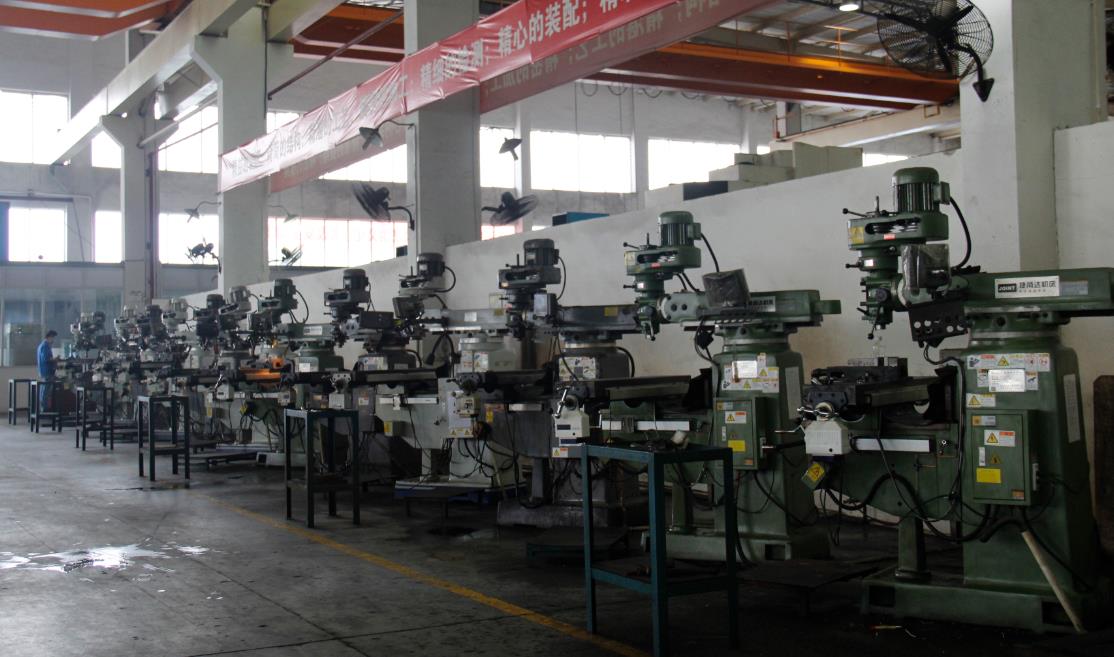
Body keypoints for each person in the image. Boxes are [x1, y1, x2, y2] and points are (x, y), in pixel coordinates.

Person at [37, 330, 58, 412]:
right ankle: (44, 409)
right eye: (53, 338)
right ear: (49, 337)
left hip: (44, 372)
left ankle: (43, 409)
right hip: (47, 372)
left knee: (44, 391)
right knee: (45, 392)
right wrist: (55, 359)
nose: (53, 340)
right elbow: (46, 359)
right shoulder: (45, 346)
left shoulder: (41, 346)